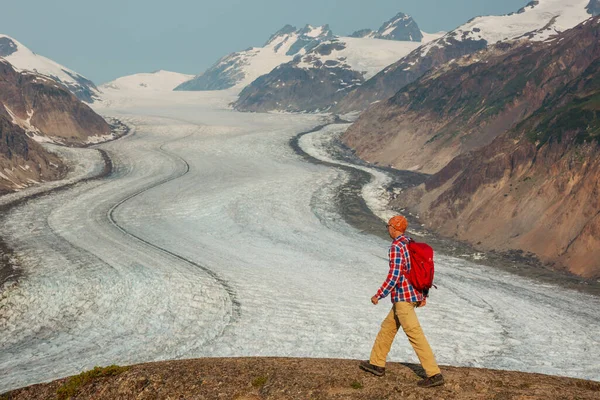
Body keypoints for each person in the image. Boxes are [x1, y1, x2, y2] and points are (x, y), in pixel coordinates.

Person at [359, 215, 444, 388]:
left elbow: (395, 275)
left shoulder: (397, 246)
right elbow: (420, 270)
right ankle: (376, 363)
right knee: (388, 328)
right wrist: (423, 295)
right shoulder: (410, 243)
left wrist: (379, 294)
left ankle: (434, 374)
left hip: (403, 299)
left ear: (395, 227)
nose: (387, 229)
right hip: (411, 296)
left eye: (388, 226)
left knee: (415, 334)